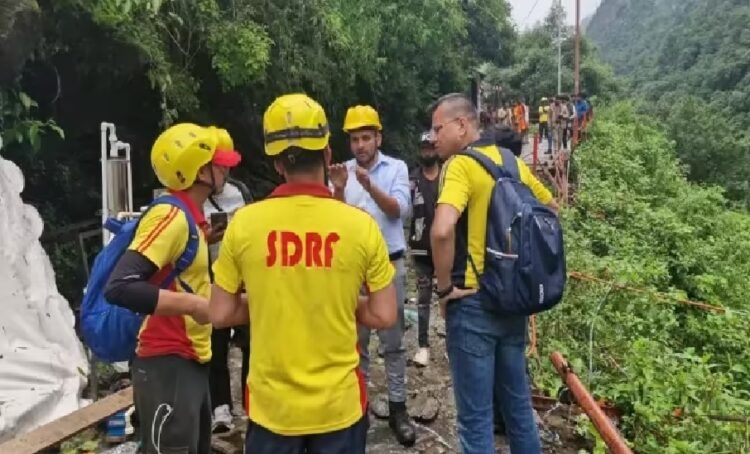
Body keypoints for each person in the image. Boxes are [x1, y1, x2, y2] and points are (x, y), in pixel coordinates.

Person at [209, 93, 398, 453]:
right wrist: (338, 299)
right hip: (339, 408)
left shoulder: (244, 224)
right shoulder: (360, 226)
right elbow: (384, 314)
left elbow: (220, 314)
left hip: (272, 411)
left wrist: (269, 296)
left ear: (277, 163)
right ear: (328, 155)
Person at [429, 93, 559, 454]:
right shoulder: (511, 162)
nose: (433, 137)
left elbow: (441, 231)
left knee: (475, 420)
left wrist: (444, 292)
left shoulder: (460, 166)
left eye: (438, 128)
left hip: (473, 305)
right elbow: (550, 208)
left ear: (462, 125)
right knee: (518, 409)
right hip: (512, 301)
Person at [104, 123, 241, 453]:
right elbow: (121, 286)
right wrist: (193, 306)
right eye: (219, 162)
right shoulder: (169, 216)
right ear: (200, 171)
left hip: (190, 357)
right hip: (166, 360)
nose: (225, 169)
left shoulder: (190, 218)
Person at [329, 104, 417, 446]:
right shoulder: (341, 173)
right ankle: (358, 411)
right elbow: (334, 220)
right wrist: (339, 188)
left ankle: (398, 409)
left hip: (390, 264)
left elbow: (399, 210)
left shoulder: (396, 167)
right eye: (354, 139)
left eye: (366, 137)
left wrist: (367, 186)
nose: (361, 145)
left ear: (378, 137)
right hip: (353, 270)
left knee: (393, 343)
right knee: (356, 343)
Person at [203, 176, 252, 432]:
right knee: (216, 344)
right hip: (212, 280)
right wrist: (206, 240)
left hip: (244, 279)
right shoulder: (195, 196)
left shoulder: (240, 190)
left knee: (251, 345)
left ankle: (250, 400)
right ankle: (220, 406)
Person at [408, 131, 440, 367]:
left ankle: (453, 343)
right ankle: (423, 345)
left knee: (451, 296)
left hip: (447, 247)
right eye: (424, 148)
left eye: (431, 147)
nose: (427, 151)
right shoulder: (413, 180)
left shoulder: (450, 176)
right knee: (423, 298)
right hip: (420, 249)